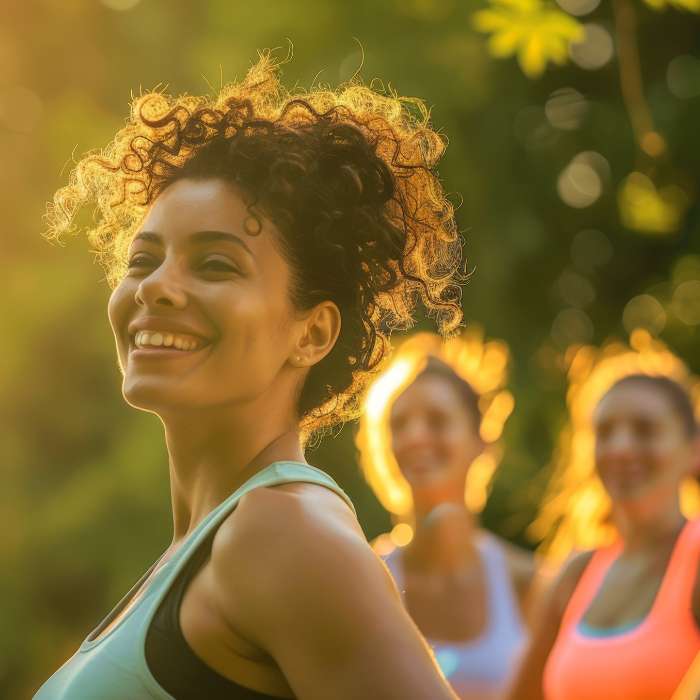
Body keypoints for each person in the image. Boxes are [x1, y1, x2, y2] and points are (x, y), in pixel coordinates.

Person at [35, 53, 465, 699]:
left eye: (214, 265)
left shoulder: (283, 535)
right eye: (143, 260)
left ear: (311, 333)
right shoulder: (196, 553)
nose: (156, 288)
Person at [507, 332, 700, 700]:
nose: (622, 448)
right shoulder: (575, 575)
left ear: (693, 450)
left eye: (645, 430)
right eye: (606, 432)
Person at [357, 331, 533, 700]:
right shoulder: (362, 580)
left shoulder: (528, 583)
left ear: (481, 440)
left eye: (437, 420)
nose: (415, 437)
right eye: (399, 424)